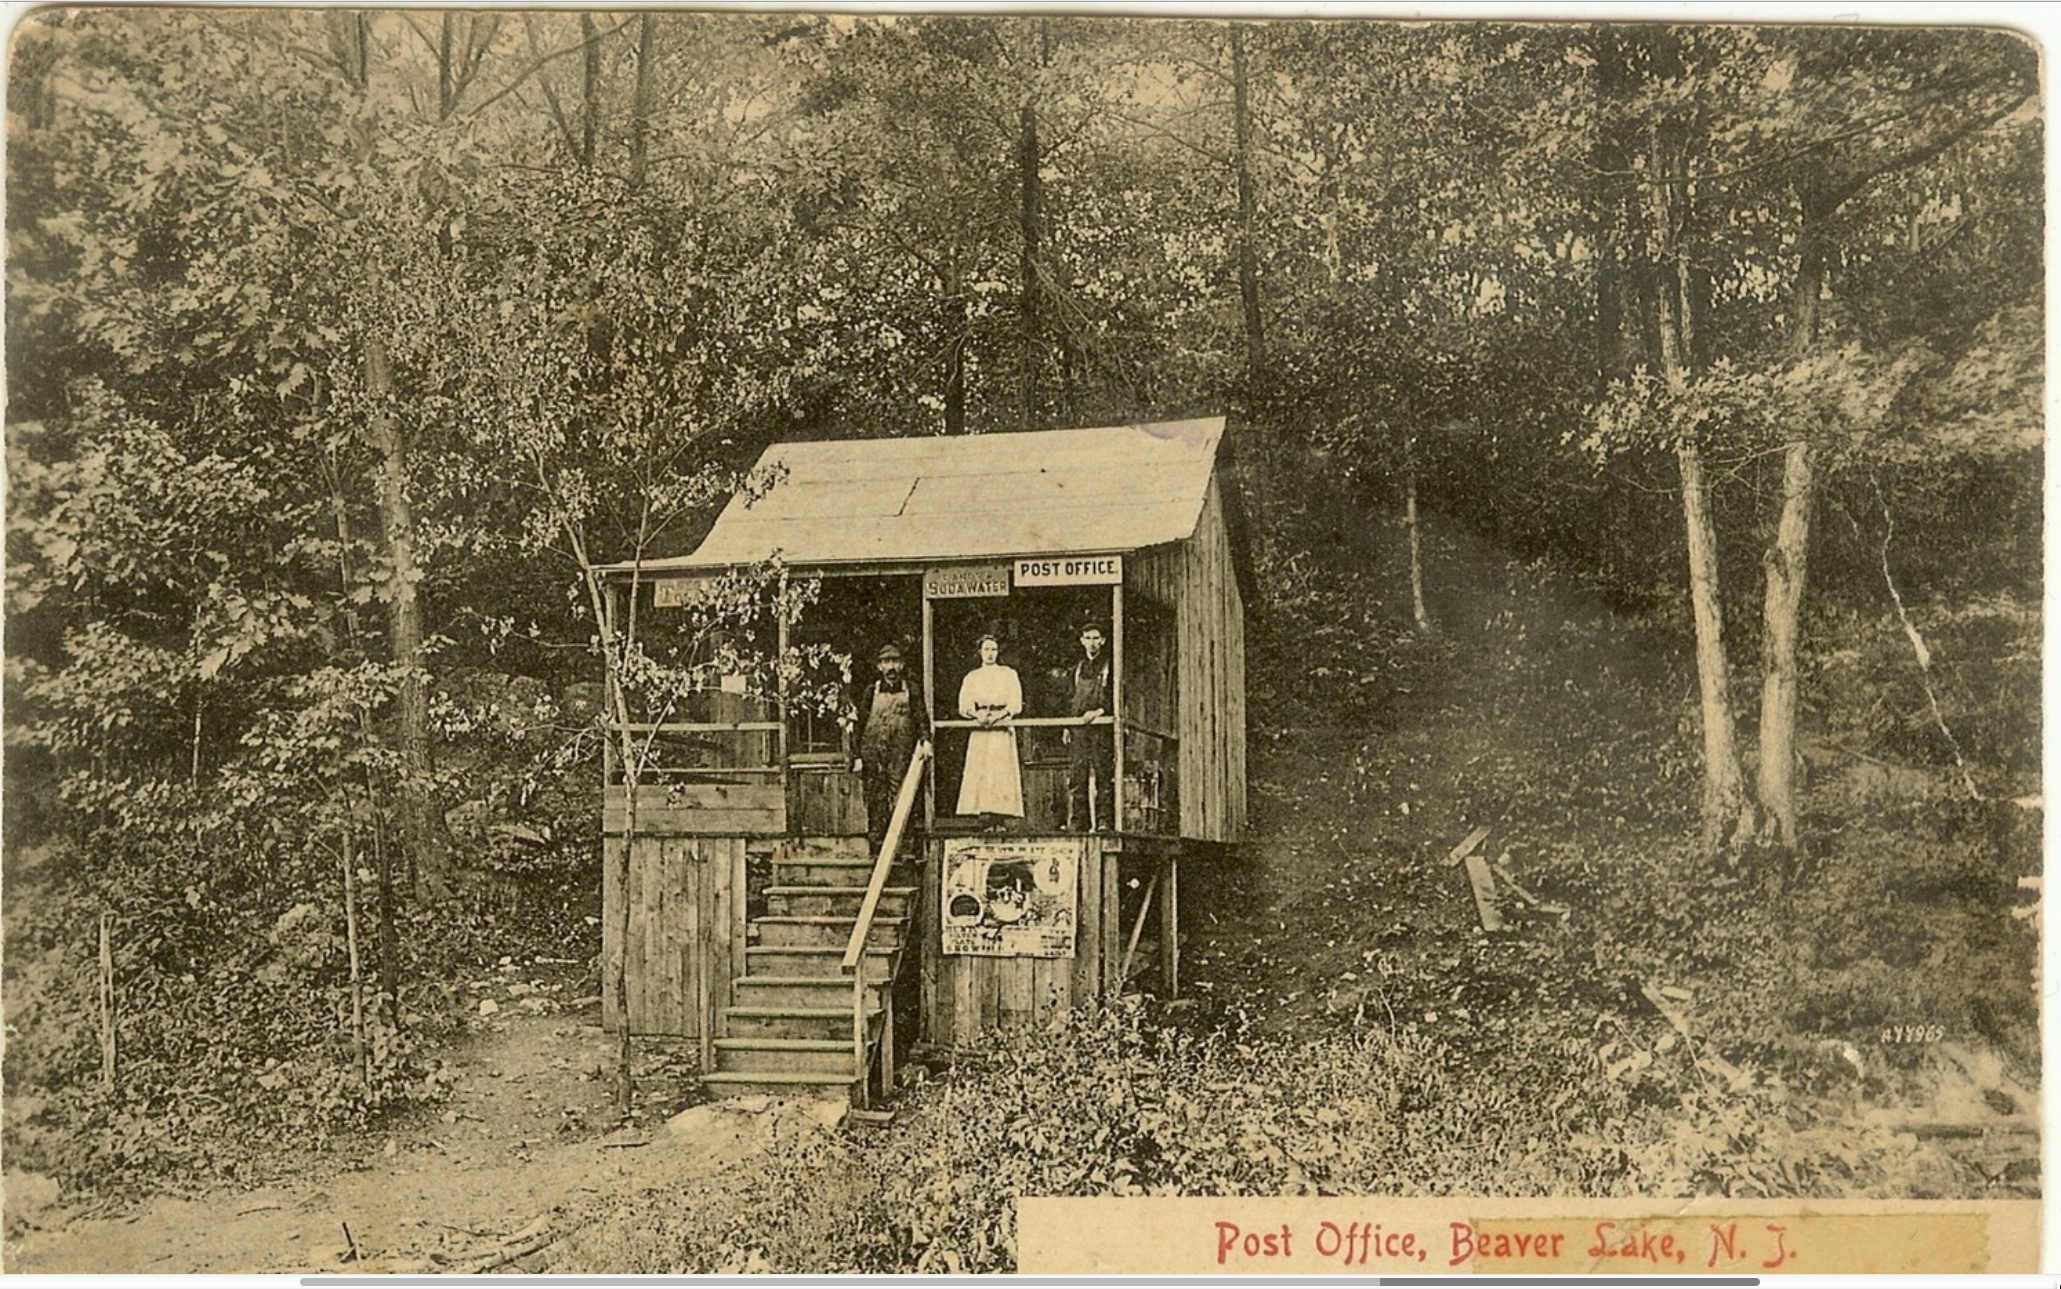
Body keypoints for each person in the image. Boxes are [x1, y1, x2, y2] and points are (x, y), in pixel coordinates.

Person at [852, 643, 930, 856]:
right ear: (879, 667)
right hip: (873, 753)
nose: (891, 667)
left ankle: (906, 849)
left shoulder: (911, 688)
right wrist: (857, 757)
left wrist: (925, 740)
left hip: (901, 753)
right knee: (876, 800)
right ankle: (877, 851)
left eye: (895, 661)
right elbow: (859, 725)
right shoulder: (871, 691)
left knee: (904, 798)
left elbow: (921, 717)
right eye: (886, 662)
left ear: (902, 664)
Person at [955, 633, 1024, 819]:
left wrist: (1000, 715)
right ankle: (983, 817)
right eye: (986, 649)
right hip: (981, 726)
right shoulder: (972, 677)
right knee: (981, 770)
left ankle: (1001, 817)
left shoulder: (1008, 674)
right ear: (979, 652)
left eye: (993, 649)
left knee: (1000, 770)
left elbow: (1016, 702)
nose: (990, 653)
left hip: (1001, 726)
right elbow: (964, 705)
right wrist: (977, 714)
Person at [1064, 621, 1114, 831]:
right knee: (1077, 774)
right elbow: (1070, 698)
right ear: (1082, 641)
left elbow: (1115, 697)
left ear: (1102, 641)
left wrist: (1098, 712)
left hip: (1100, 727)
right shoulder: (1077, 668)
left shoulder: (1109, 665)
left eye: (1096, 638)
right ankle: (1078, 823)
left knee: (1103, 774)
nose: (1092, 643)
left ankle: (1103, 821)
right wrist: (1067, 725)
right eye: (1088, 638)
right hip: (1078, 729)